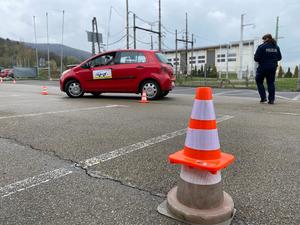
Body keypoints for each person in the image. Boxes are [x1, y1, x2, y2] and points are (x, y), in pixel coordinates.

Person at [254, 34, 282, 104]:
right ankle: (271, 100)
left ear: (266, 39)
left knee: (259, 81)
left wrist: (262, 59)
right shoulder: (276, 47)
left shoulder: (261, 47)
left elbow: (256, 58)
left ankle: (263, 98)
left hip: (262, 67)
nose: (263, 41)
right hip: (272, 68)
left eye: (264, 39)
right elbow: (279, 57)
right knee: (271, 83)